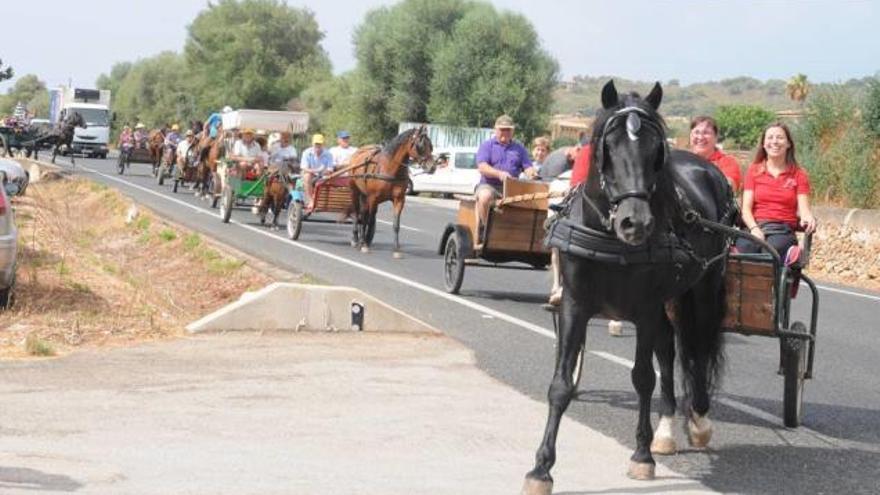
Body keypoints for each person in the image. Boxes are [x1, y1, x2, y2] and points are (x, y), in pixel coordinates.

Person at [736, 122, 816, 262]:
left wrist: (808, 218)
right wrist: (754, 229)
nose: (774, 142)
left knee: (771, 251)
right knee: (744, 249)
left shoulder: (799, 174)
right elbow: (746, 209)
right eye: (770, 138)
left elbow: (804, 210)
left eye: (780, 137)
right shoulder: (753, 171)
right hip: (754, 226)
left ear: (788, 144)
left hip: (782, 230)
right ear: (763, 144)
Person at [475, 114, 536, 241]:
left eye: (508, 129)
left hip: (512, 187)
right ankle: (485, 229)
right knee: (485, 197)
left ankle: (524, 237)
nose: (505, 132)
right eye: (502, 129)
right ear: (495, 130)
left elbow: (527, 166)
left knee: (534, 201)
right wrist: (499, 174)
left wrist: (532, 173)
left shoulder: (519, 148)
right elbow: (482, 167)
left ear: (512, 131)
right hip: (489, 185)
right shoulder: (487, 146)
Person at [689, 116, 741, 191]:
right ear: (690, 136)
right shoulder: (682, 162)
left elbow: (728, 187)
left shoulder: (727, 162)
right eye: (696, 132)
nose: (700, 137)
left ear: (716, 137)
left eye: (706, 133)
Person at [300, 133, 334, 205]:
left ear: (323, 144)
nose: (318, 146)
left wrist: (324, 172)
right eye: (316, 144)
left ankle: (329, 200)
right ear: (312, 144)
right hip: (311, 174)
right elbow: (304, 168)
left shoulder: (328, 154)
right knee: (307, 176)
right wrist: (316, 170)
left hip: (323, 175)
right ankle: (310, 200)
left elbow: (330, 169)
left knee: (331, 178)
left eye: (320, 144)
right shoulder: (306, 152)